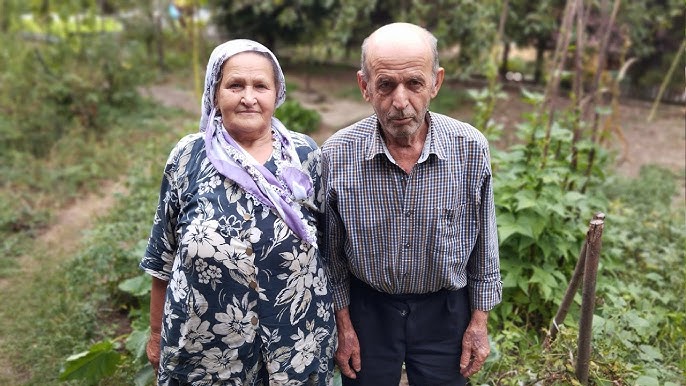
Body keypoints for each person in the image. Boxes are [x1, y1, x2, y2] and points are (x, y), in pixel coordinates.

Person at [140, 39, 336, 386]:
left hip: (296, 349)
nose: (248, 97)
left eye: (260, 86)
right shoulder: (189, 157)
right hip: (203, 355)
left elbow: (331, 250)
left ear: (277, 94)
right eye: (235, 85)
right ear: (214, 93)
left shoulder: (305, 156)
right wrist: (155, 335)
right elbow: (163, 256)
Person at [321, 23, 502, 386]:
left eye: (415, 84)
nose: (400, 101)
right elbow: (332, 254)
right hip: (367, 309)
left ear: (436, 82)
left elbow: (485, 244)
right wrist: (344, 326)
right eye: (385, 84)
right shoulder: (336, 154)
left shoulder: (469, 147)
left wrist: (479, 323)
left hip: (446, 310)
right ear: (365, 87)